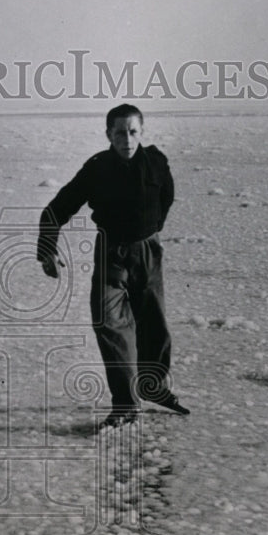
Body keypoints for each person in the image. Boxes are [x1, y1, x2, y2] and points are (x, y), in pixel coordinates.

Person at [37, 104, 189, 427]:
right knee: (108, 321)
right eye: (119, 132)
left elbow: (167, 197)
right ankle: (125, 404)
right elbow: (56, 208)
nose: (127, 139)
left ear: (142, 133)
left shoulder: (156, 162)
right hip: (110, 254)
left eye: (133, 132)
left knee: (152, 321)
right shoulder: (97, 168)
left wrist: (150, 228)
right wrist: (47, 250)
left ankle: (154, 386)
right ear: (108, 134)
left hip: (148, 252)